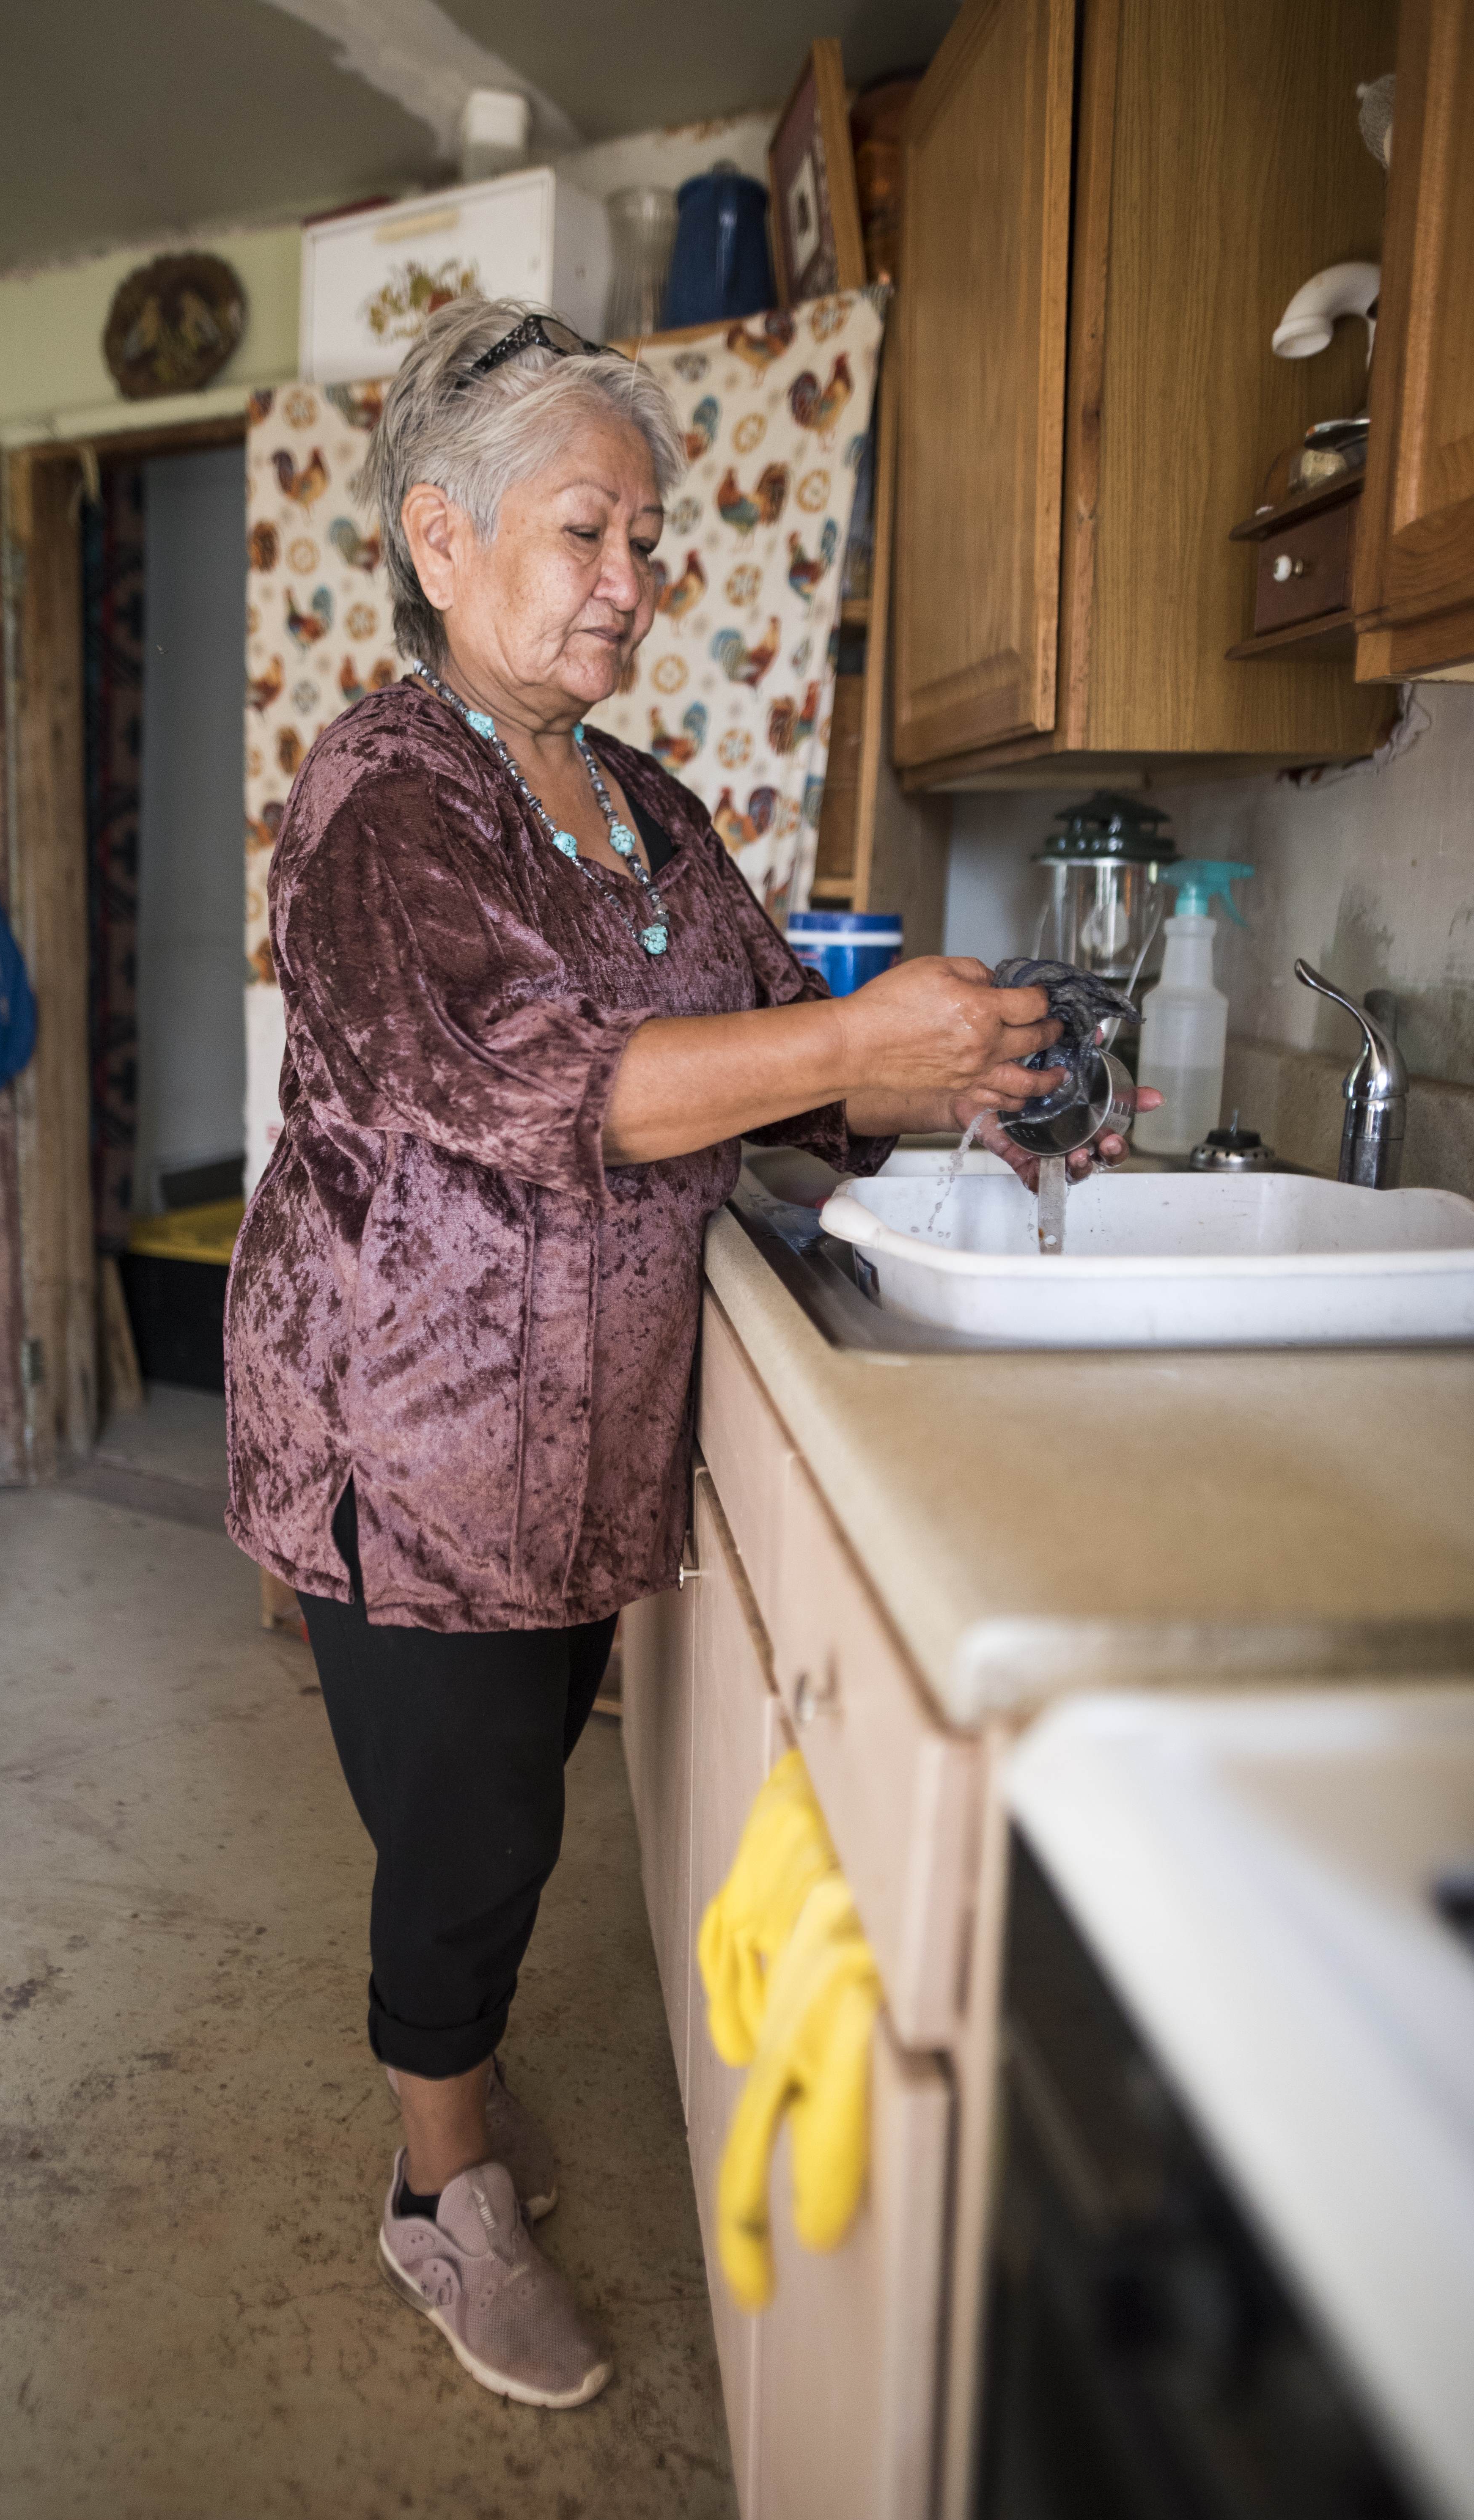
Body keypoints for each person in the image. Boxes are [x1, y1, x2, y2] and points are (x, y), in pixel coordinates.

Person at [225, 298, 1139, 2411]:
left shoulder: (634, 801)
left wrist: (952, 1075)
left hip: (574, 1440)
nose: (632, 582)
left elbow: (750, 1054)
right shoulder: (383, 801)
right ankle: (437, 2183)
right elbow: (564, 1085)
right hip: (416, 1445)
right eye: (585, 535)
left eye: (646, 542)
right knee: (468, 1847)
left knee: (513, 1807)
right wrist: (843, 1041)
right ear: (439, 543)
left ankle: (445, 2074)